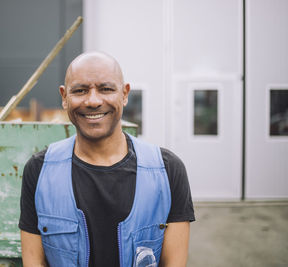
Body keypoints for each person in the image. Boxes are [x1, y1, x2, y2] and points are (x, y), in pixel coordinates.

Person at [19, 51, 195, 267]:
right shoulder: (39, 171)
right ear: (64, 98)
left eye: (106, 89)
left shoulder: (167, 171)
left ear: (124, 93)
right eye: (80, 90)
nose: (93, 101)